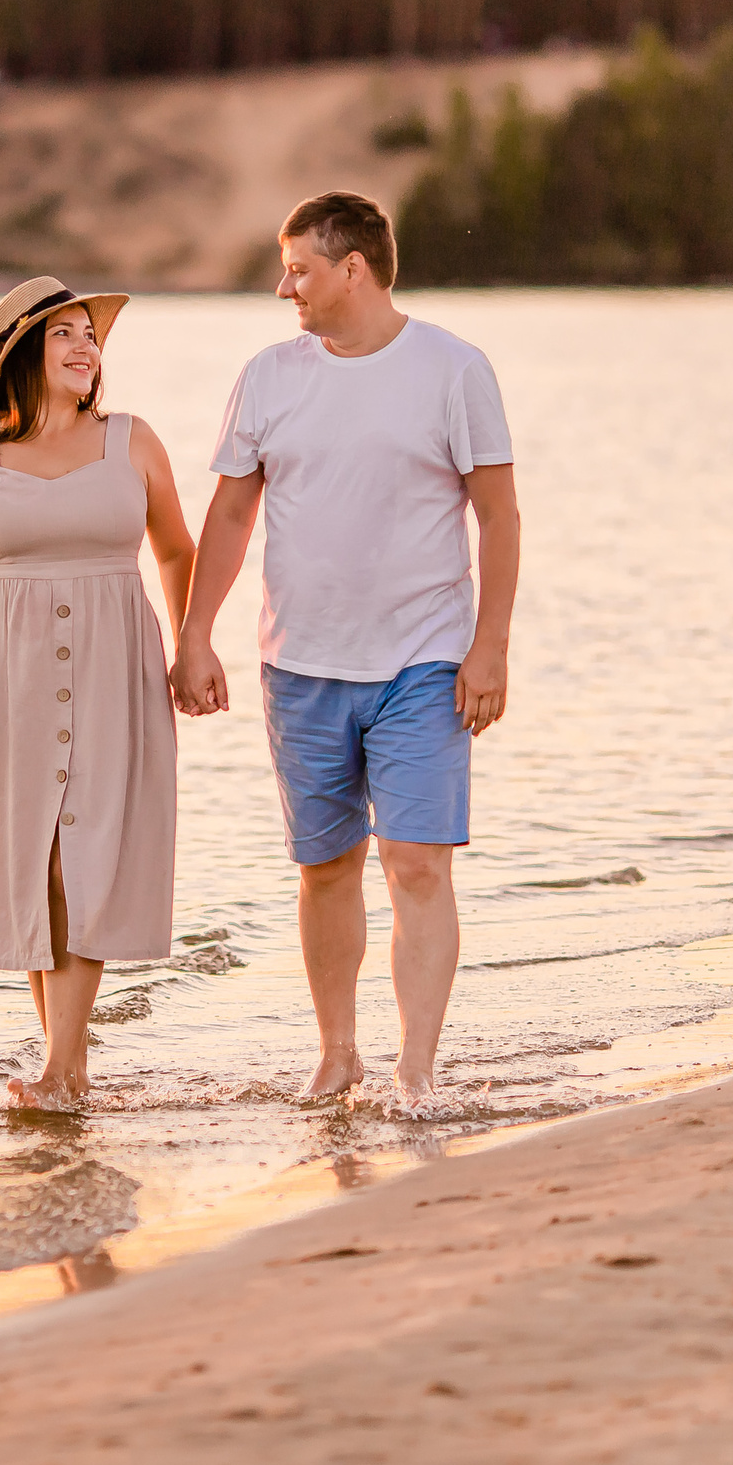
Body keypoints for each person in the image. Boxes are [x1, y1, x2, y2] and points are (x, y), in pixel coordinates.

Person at [170, 191, 520, 1106]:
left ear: (352, 269)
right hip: (301, 660)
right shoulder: (269, 375)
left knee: (415, 861)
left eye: (299, 270)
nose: (285, 288)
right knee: (325, 868)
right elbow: (234, 510)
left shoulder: (453, 368)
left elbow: (498, 512)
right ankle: (338, 1050)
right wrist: (196, 631)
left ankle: (416, 1068)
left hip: (426, 657)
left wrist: (490, 646)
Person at [0, 276, 197, 1110]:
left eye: (89, 334)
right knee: (36, 863)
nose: (84, 346)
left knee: (87, 855)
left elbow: (177, 550)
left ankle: (63, 1069)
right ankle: (69, 1068)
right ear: (23, 353)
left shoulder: (134, 442)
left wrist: (189, 644)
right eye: (62, 333)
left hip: (115, 666)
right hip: (2, 677)